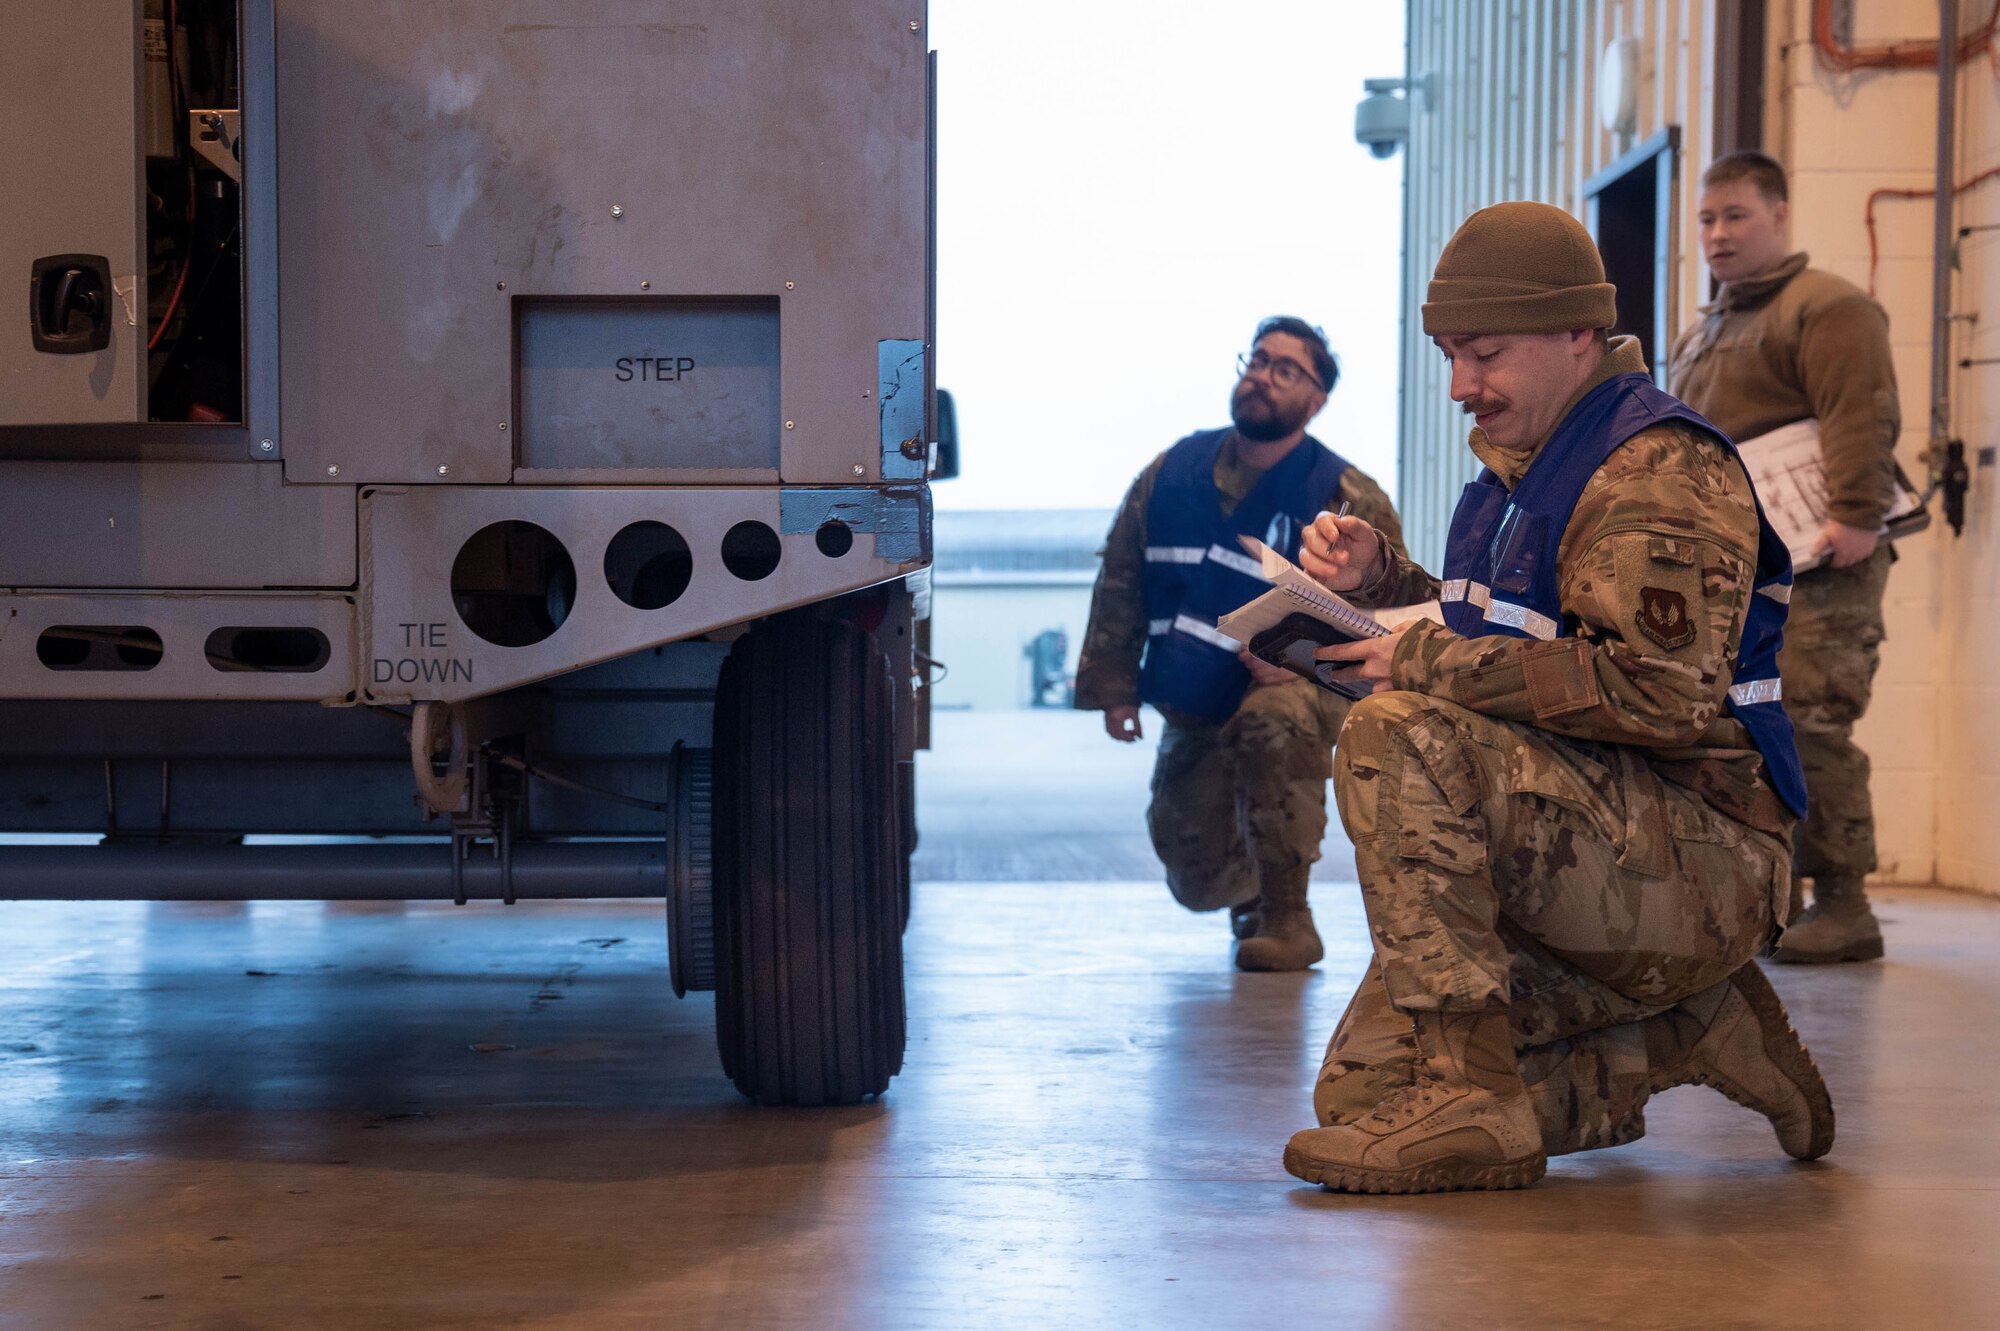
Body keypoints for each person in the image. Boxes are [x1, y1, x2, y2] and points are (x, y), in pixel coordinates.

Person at [1280, 202, 1833, 1193]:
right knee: (1359, 1101)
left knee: (1394, 733)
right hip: (1584, 831)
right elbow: (1509, 639)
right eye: (1449, 355)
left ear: (1578, 333)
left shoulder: (1657, 469)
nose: (1460, 385)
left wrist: (1420, 665)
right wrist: (1378, 586)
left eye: (1483, 352)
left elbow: (1653, 694)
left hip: (1704, 859)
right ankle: (1676, 1036)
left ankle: (1470, 1094)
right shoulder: (1522, 470)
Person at [1073, 316, 1407, 972]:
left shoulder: (1347, 496)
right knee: (1190, 868)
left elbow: (1387, 617)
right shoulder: (1172, 472)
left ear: (1316, 400)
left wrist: (1300, 663)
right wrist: (1115, 688)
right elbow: (1122, 578)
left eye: (1285, 369)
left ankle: (1289, 917)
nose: (1260, 375)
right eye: (1256, 360)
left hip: (1298, 695)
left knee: (1272, 724)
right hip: (1195, 693)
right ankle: (1250, 886)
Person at [1669, 150, 1904, 964]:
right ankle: (1780, 895)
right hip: (1742, 570)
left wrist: (1857, 516)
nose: (1719, 234)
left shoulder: (1828, 307)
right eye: (1707, 218)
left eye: (1736, 216)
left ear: (1778, 215)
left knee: (1811, 720)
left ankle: (1845, 902)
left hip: (1825, 565)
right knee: (1750, 723)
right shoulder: (1706, 328)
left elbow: (1860, 413)